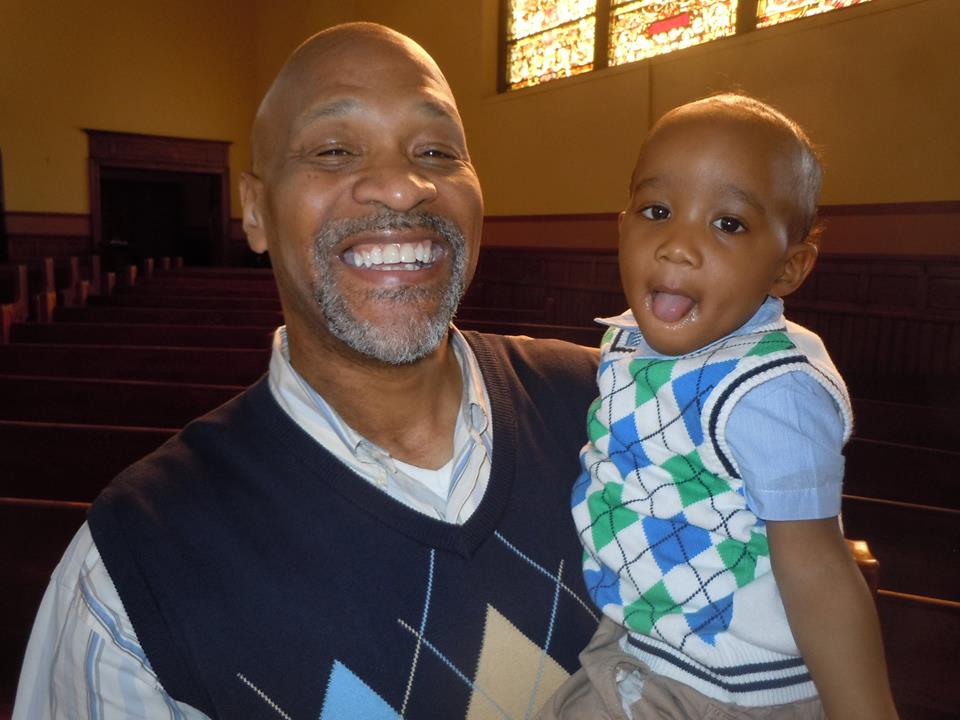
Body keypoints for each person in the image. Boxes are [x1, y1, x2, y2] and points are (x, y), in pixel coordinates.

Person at [13, 23, 602, 719]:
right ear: (254, 211)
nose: (401, 187)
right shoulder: (132, 572)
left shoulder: (619, 406)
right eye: (334, 150)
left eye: (436, 150)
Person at [542, 95, 899, 719]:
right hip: (644, 642)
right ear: (622, 227)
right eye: (657, 211)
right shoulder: (635, 341)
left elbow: (819, 571)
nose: (677, 246)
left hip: (728, 686)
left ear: (788, 268)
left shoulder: (768, 391)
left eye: (728, 223)